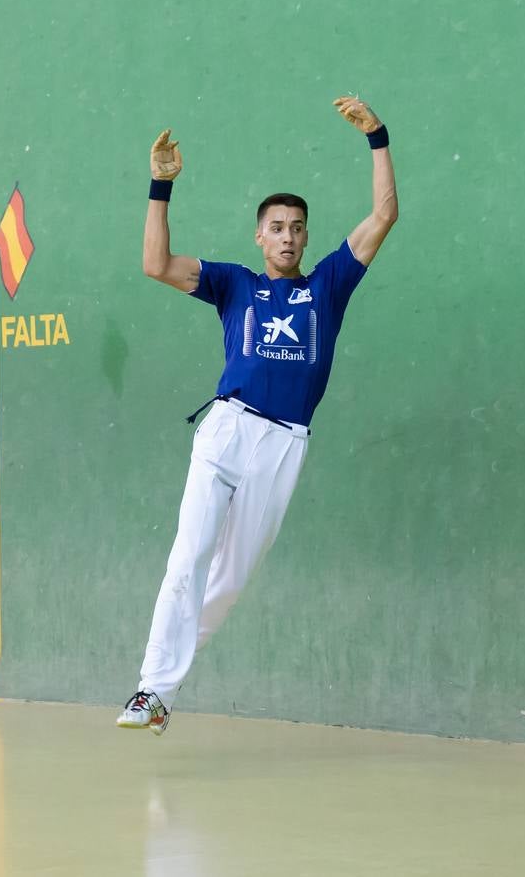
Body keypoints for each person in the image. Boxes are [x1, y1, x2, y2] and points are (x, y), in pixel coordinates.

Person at [118, 97, 398, 735]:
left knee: (230, 578)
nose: (289, 236)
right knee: (187, 556)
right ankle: (148, 690)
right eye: (277, 226)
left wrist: (377, 137)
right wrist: (161, 185)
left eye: (297, 226)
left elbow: (385, 215)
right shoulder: (234, 283)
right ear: (258, 235)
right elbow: (155, 265)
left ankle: (163, 694)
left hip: (283, 446)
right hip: (226, 429)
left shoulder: (328, 284)